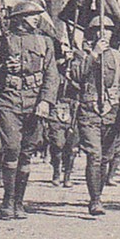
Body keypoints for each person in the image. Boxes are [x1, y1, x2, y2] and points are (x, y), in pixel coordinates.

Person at [0, 1, 59, 219]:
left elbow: (51, 75)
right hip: (9, 101)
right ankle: (7, 200)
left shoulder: (45, 43)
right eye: (31, 14)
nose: (36, 17)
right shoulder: (1, 41)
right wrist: (4, 68)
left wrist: (46, 101)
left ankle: (19, 201)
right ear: (19, 18)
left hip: (35, 102)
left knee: (27, 152)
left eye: (36, 14)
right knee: (12, 148)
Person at [73, 15, 120, 216]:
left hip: (113, 112)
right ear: (91, 33)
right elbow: (76, 75)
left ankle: (98, 193)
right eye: (99, 30)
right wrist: (93, 54)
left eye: (108, 30)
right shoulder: (81, 54)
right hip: (89, 111)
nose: (104, 34)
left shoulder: (119, 57)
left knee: (106, 157)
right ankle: (95, 200)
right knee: (95, 155)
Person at [47, 42, 79, 188]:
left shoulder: (78, 66)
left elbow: (82, 86)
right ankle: (56, 172)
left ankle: (68, 176)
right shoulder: (55, 66)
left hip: (73, 109)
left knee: (71, 146)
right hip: (57, 107)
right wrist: (63, 65)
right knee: (58, 144)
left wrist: (71, 77)